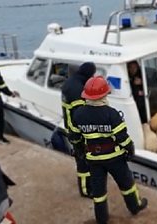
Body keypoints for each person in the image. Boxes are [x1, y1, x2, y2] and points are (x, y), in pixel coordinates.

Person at [70, 76, 148, 224]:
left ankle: (102, 218)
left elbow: (74, 137)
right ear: (104, 95)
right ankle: (135, 207)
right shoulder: (112, 114)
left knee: (98, 192)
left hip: (93, 160)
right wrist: (130, 149)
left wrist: (79, 149)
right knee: (127, 185)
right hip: (115, 158)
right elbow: (122, 137)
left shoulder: (78, 114)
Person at [61, 62, 96, 198]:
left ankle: (87, 185)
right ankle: (85, 190)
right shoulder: (77, 90)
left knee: (83, 159)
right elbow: (78, 116)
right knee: (82, 162)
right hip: (77, 132)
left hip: (71, 127)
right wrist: (80, 134)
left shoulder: (71, 81)